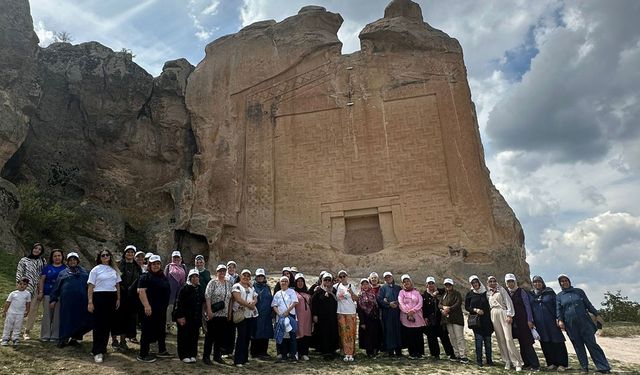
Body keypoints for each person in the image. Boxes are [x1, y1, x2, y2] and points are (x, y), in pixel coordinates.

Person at [556, 274, 611, 374]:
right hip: (571, 325)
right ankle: (584, 367)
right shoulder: (559, 296)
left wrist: (596, 314)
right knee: (578, 346)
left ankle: (603, 367)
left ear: (569, 281)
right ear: (560, 284)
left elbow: (588, 304)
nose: (564, 282)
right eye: (562, 281)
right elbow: (558, 310)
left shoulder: (579, 292)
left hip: (585, 323)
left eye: (566, 280)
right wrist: (560, 320)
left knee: (592, 345)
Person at [49, 252, 92, 348]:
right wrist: (53, 299)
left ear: (78, 261)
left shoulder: (85, 273)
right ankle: (63, 339)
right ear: (67, 262)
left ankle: (75, 339)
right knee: (66, 320)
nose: (73, 261)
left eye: (74, 259)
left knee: (81, 320)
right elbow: (57, 287)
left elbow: (90, 286)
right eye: (70, 260)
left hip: (82, 301)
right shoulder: (63, 273)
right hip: (67, 302)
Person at [87, 249, 121, 363]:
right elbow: (91, 287)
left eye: (107, 255)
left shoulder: (114, 270)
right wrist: (90, 301)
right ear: (99, 258)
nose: (106, 257)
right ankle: (97, 351)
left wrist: (118, 298)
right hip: (99, 297)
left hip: (111, 297)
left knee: (107, 325)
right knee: (98, 325)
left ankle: (103, 348)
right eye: (103, 255)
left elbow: (117, 285)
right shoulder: (95, 270)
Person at [136, 255, 172, 363]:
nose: (156, 266)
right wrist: (147, 306)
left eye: (158, 264)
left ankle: (162, 350)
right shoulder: (145, 276)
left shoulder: (162, 276)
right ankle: (143, 354)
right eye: (153, 264)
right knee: (147, 330)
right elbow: (141, 291)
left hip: (160, 309)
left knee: (161, 330)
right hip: (150, 309)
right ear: (149, 265)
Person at [530, 275, 568, 371]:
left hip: (552, 321)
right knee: (545, 343)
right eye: (535, 282)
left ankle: (562, 364)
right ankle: (551, 363)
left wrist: (559, 318)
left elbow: (557, 306)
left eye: (539, 282)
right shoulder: (531, 294)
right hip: (540, 324)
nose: (537, 284)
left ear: (542, 283)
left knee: (557, 342)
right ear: (533, 284)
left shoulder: (549, 292)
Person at [486, 275, 523, 371]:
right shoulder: (488, 293)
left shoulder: (501, 290)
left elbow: (508, 302)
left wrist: (510, 315)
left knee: (508, 339)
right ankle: (507, 361)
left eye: (494, 281)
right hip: (494, 314)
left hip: (503, 312)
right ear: (488, 283)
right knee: (500, 339)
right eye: (490, 281)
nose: (493, 283)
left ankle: (517, 362)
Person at [505, 273, 540, 371]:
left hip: (523, 321)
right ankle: (527, 363)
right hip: (513, 323)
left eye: (512, 281)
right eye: (508, 282)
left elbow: (527, 306)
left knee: (527, 343)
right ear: (506, 283)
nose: (510, 284)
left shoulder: (521, 292)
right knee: (521, 343)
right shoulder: (506, 293)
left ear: (515, 282)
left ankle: (535, 365)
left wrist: (530, 320)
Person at [112, 245, 141, 351]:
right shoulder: (118, 265)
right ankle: (114, 340)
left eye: (132, 252)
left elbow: (139, 280)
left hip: (131, 298)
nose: (130, 254)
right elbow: (114, 279)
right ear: (125, 253)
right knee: (116, 319)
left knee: (127, 320)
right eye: (128, 252)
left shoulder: (137, 266)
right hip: (119, 295)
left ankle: (123, 341)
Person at [203, 264, 233, 365]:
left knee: (220, 337)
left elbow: (230, 299)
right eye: (220, 271)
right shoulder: (212, 283)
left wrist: (229, 313)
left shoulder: (228, 284)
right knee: (210, 336)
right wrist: (209, 310)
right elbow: (208, 296)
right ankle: (206, 356)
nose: (222, 273)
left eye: (224, 271)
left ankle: (217, 356)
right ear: (217, 272)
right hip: (214, 314)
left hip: (223, 314)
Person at [15, 242, 46, 340]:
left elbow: (43, 276)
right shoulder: (24, 260)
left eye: (39, 249)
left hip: (36, 289)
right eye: (36, 248)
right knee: (19, 310)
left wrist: (41, 291)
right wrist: (19, 287)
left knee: (32, 311)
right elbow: (19, 274)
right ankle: (14, 330)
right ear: (32, 249)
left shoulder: (42, 261)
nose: (37, 250)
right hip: (24, 288)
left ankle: (27, 331)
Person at [174, 269, 204, 363]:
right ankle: (184, 355)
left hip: (195, 318)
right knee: (184, 336)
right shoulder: (185, 288)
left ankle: (192, 354)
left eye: (197, 276)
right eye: (193, 276)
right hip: (185, 317)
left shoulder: (199, 288)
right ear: (190, 278)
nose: (195, 278)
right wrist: (180, 316)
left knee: (194, 337)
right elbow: (179, 303)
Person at [422, 276, 455, 360]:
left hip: (440, 319)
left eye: (432, 283)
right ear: (426, 285)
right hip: (430, 319)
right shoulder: (424, 295)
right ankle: (435, 354)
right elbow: (424, 307)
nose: (431, 285)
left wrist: (437, 293)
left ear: (434, 284)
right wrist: (425, 317)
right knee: (431, 338)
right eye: (429, 283)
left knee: (444, 337)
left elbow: (447, 293)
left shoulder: (441, 292)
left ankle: (450, 354)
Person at [465, 275, 494, 367]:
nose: (475, 284)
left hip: (487, 321)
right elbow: (467, 307)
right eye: (473, 283)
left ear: (479, 282)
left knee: (488, 342)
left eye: (476, 282)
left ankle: (489, 360)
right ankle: (479, 360)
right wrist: (475, 310)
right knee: (478, 341)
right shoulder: (470, 294)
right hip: (476, 322)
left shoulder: (486, 293)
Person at [38, 249, 66, 342]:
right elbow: (42, 280)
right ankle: (45, 335)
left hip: (60, 295)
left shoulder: (65, 268)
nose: (57, 257)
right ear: (52, 257)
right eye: (55, 256)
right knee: (46, 315)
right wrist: (41, 292)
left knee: (57, 315)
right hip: (47, 293)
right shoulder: (47, 268)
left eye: (59, 255)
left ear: (62, 257)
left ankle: (55, 335)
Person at [231, 269, 258, 367]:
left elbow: (255, 297)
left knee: (247, 337)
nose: (246, 277)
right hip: (241, 315)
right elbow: (238, 298)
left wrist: (253, 303)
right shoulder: (236, 286)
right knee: (241, 337)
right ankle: (238, 360)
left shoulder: (251, 287)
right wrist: (249, 305)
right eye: (244, 275)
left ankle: (244, 358)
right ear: (240, 276)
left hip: (250, 315)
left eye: (248, 276)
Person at [311, 273, 339, 360]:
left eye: (329, 280)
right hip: (322, 317)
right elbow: (313, 303)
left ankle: (332, 350)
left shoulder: (334, 290)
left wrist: (330, 293)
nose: (327, 282)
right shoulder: (318, 291)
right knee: (323, 333)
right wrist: (314, 315)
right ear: (322, 281)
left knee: (332, 332)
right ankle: (325, 351)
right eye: (325, 280)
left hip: (332, 317)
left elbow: (338, 301)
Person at [439, 278, 468, 363]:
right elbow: (439, 304)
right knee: (452, 337)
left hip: (457, 319)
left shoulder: (457, 294)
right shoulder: (444, 295)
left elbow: (458, 303)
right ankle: (457, 354)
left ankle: (463, 355)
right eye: (446, 285)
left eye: (449, 285)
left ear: (452, 285)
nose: (448, 286)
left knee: (459, 337)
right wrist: (444, 308)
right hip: (448, 320)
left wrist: (449, 309)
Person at [397, 274, 425, 359]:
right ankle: (412, 353)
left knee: (418, 335)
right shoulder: (401, 292)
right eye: (404, 282)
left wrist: (413, 311)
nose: (406, 283)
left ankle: (420, 353)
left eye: (407, 281)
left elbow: (420, 303)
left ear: (411, 282)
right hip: (406, 318)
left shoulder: (416, 292)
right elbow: (401, 303)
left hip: (417, 317)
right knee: (410, 336)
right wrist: (408, 312)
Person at [272, 275, 298, 361]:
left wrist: (287, 311)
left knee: (292, 336)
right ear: (280, 283)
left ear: (288, 283)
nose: (284, 283)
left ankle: (293, 354)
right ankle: (284, 354)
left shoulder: (292, 291)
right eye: (282, 281)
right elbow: (274, 305)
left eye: (286, 281)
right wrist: (279, 314)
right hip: (281, 316)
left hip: (290, 315)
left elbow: (294, 302)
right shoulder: (277, 293)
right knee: (282, 335)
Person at [335, 269, 358, 362]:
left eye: (344, 276)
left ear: (347, 276)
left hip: (350, 312)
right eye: (340, 276)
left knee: (351, 334)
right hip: (340, 312)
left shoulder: (352, 286)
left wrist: (351, 292)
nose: (342, 278)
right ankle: (344, 352)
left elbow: (356, 299)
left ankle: (351, 353)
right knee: (343, 333)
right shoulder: (336, 286)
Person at [377, 271, 402, 357]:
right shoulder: (382, 288)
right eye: (386, 278)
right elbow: (379, 300)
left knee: (398, 330)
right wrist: (388, 304)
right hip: (387, 313)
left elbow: (403, 297)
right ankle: (390, 350)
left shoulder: (398, 288)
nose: (388, 279)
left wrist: (398, 303)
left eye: (389, 277)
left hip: (397, 313)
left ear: (392, 277)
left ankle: (398, 350)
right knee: (389, 331)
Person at [250, 268, 273, 359]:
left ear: (264, 277)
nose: (260, 278)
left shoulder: (267, 287)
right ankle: (255, 352)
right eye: (258, 276)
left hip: (266, 315)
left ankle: (263, 351)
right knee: (256, 333)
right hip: (256, 314)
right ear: (256, 277)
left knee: (265, 332)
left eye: (262, 276)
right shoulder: (252, 287)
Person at [357, 278, 382, 358]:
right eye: (363, 284)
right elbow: (360, 310)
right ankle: (369, 352)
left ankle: (375, 350)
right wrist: (362, 322)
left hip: (374, 318)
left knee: (375, 334)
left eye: (366, 284)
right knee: (367, 336)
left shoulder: (373, 293)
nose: (365, 286)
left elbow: (376, 305)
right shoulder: (360, 295)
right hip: (366, 318)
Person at [2, 278, 31, 346]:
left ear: (27, 286)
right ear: (17, 284)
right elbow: (8, 302)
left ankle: (15, 338)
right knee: (8, 325)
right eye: (20, 284)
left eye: (24, 284)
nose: (22, 286)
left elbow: (28, 303)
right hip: (11, 313)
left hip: (20, 314)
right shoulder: (13, 293)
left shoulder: (27, 294)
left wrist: (27, 311)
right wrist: (4, 311)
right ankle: (5, 338)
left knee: (18, 326)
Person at [165, 250, 187, 333]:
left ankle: (177, 325)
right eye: (174, 257)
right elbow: (165, 278)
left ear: (180, 258)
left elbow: (186, 278)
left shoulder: (183, 267)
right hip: (171, 291)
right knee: (170, 307)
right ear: (172, 258)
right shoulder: (168, 267)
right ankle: (168, 324)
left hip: (180, 290)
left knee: (179, 307)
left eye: (178, 257)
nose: (176, 259)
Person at [294, 273, 312, 361]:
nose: (300, 283)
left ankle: (304, 353)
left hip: (307, 317)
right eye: (298, 281)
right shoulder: (293, 292)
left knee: (306, 333)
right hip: (298, 316)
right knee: (298, 333)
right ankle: (296, 352)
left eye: (301, 281)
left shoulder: (307, 292)